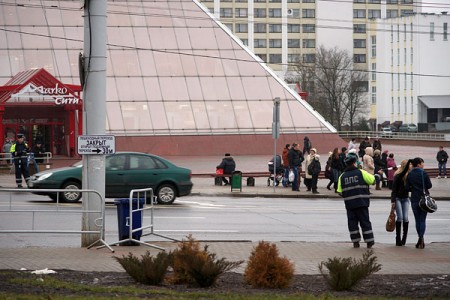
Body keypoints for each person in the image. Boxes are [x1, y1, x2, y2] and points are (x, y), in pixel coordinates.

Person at [337, 154, 376, 248]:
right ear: (354, 163)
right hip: (362, 203)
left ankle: (355, 242)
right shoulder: (361, 172)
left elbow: (339, 191)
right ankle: (369, 241)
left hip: (350, 205)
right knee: (365, 222)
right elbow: (372, 180)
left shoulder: (342, 176)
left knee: (352, 223)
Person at [406, 157, 432, 249]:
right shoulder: (423, 173)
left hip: (414, 199)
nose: (423, 165)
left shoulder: (410, 174)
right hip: (423, 199)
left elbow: (407, 188)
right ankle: (421, 238)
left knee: (417, 220)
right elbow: (429, 185)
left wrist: (413, 188)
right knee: (422, 220)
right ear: (418, 164)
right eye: (422, 163)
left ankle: (420, 238)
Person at [391, 159, 412, 246]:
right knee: (400, 217)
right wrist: (393, 201)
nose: (411, 166)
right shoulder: (398, 175)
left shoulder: (409, 176)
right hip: (398, 198)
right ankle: (398, 238)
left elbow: (410, 188)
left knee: (406, 218)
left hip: (406, 198)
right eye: (409, 164)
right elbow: (394, 189)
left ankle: (404, 238)